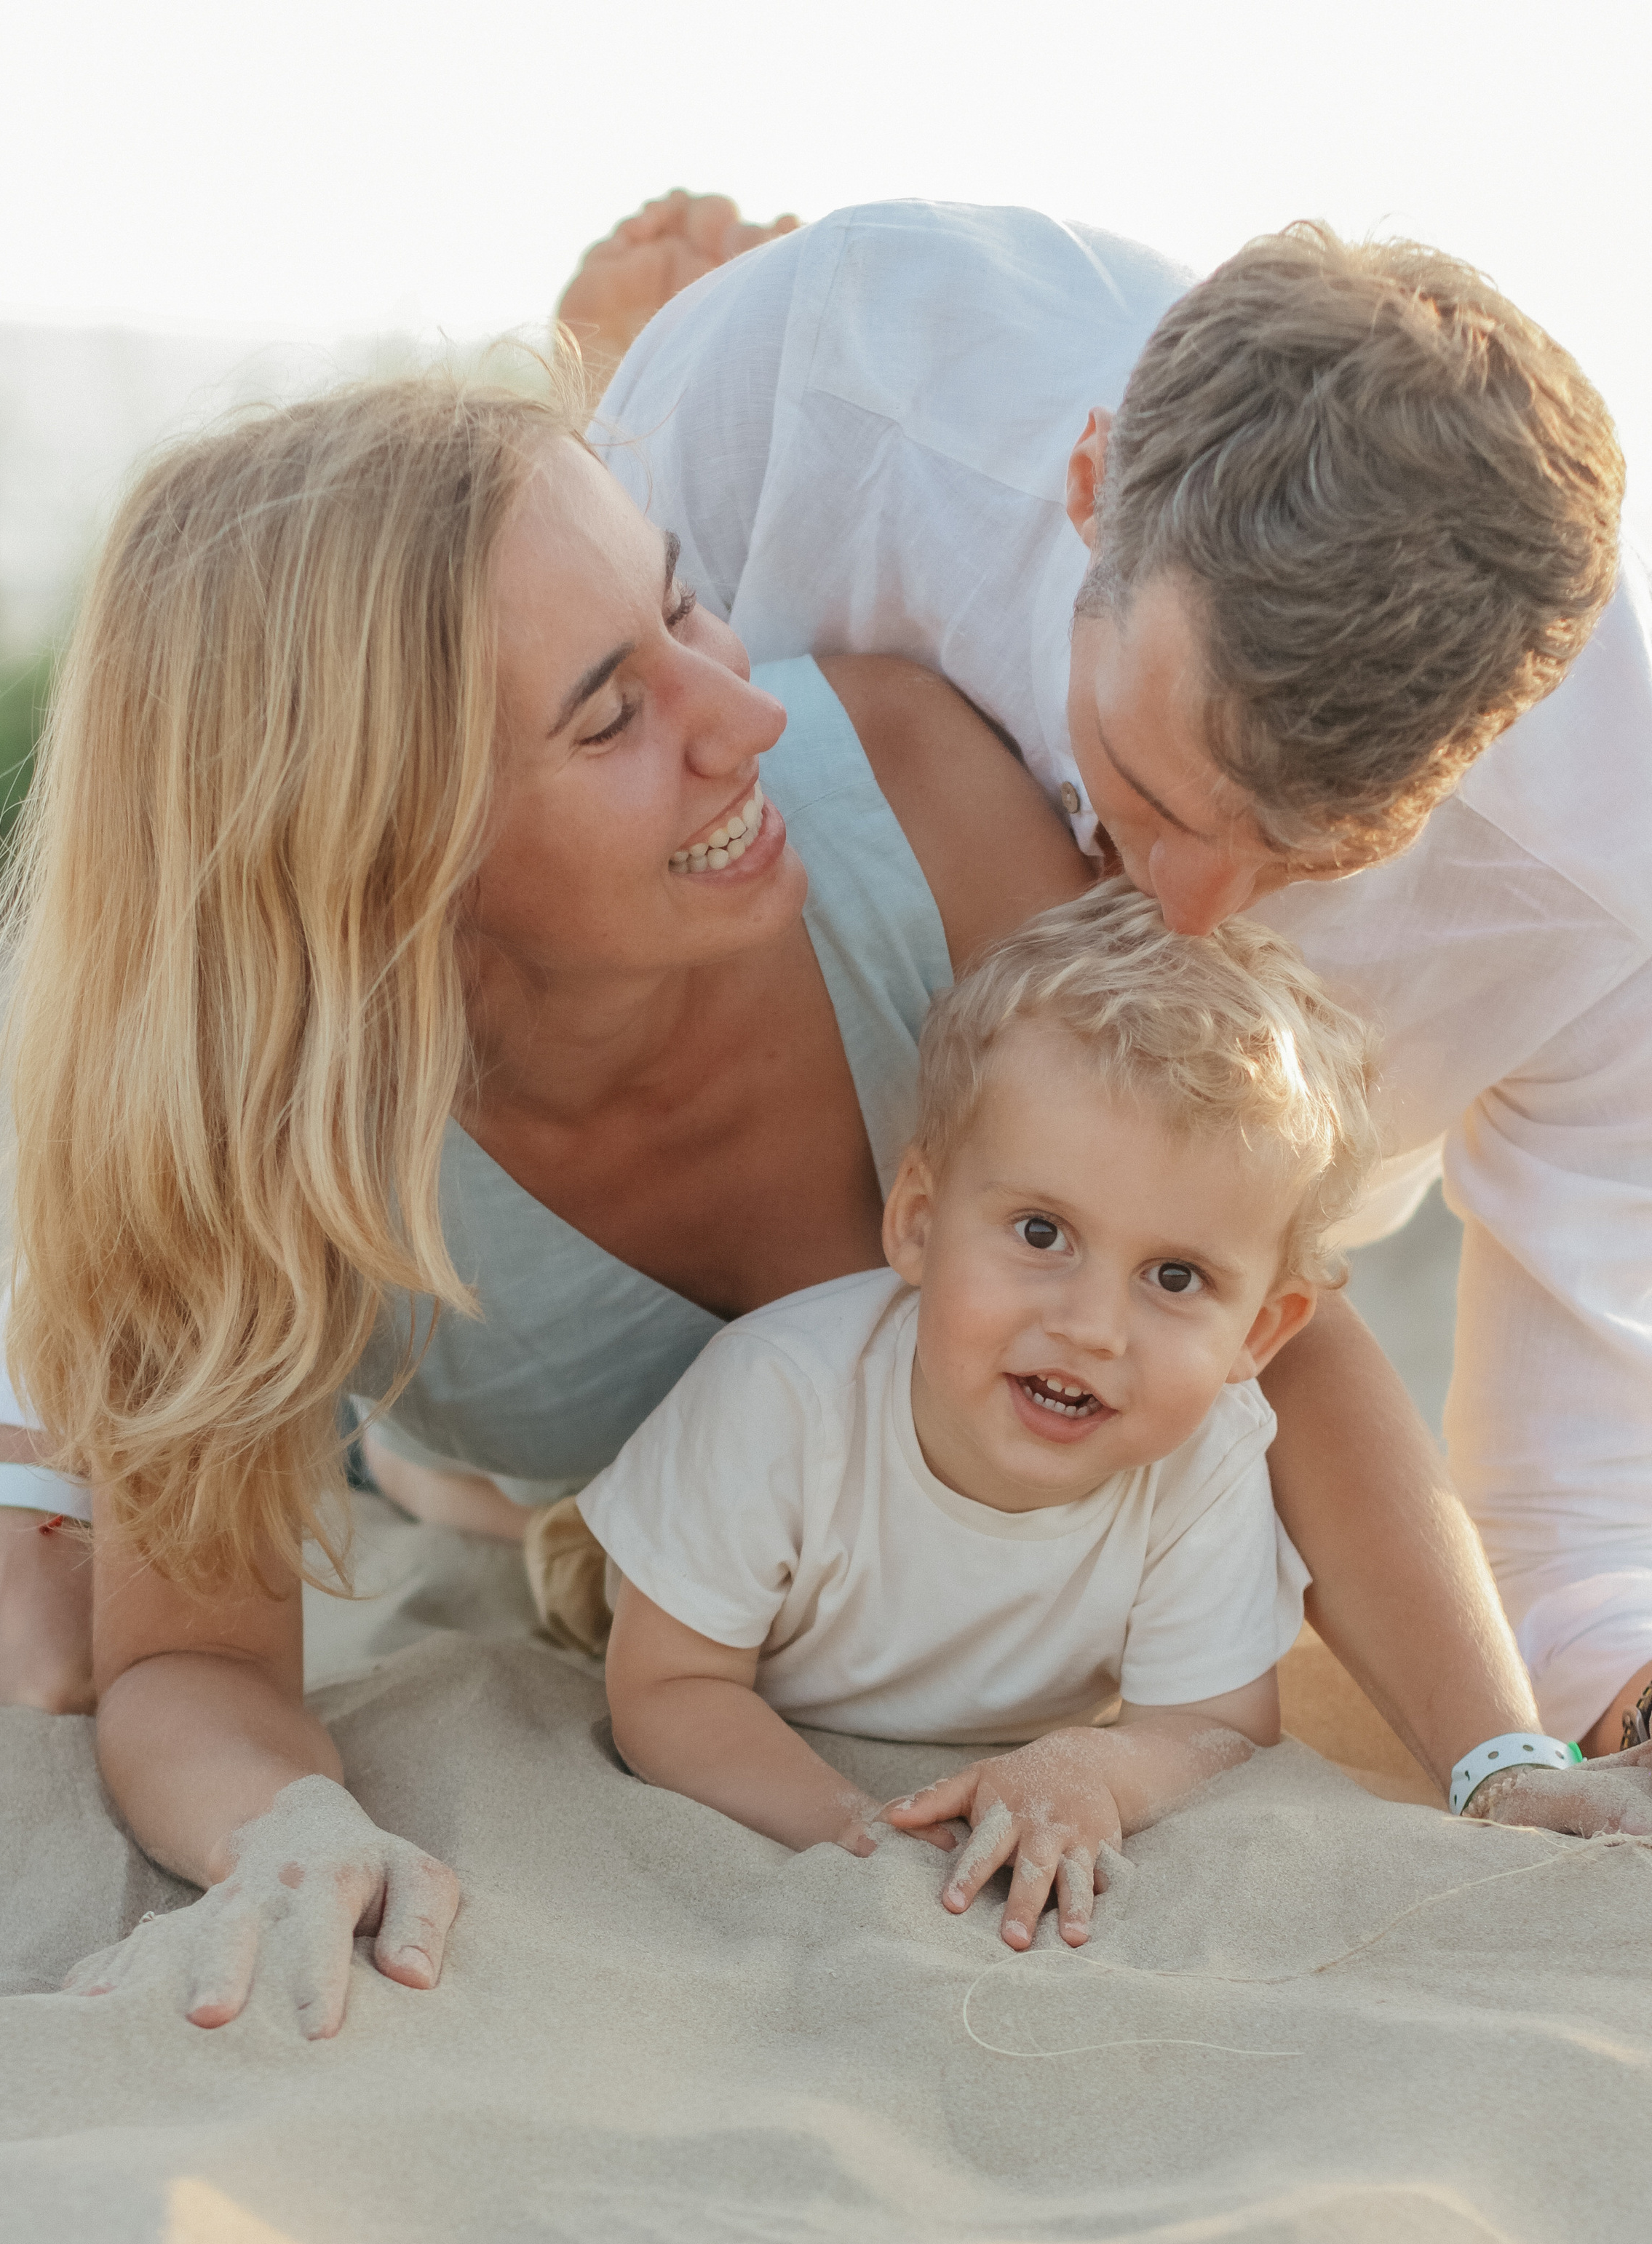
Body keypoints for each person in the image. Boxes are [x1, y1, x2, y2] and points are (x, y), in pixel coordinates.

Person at [0, 362, 1650, 2043]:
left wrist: (1497, 1760)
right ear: (384, 846)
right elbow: (191, 1671)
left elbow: (1279, 1341)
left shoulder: (907, 789)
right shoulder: (262, 1157)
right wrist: (281, 1822)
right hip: (579, 1501)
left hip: (849, 1502)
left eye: (683, 607)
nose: (741, 712)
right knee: (460, 1486)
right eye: (612, 712)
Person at [567, 192, 1652, 1761]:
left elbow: (1570, 1494)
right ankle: (587, 388)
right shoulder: (827, 377)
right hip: (744, 1046)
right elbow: (464, 792)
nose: (1194, 916)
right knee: (511, 1453)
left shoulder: (1600, 883)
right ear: (1086, 490)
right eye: (1144, 792)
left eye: (1309, 858)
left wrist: (1610, 1711)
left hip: (1160, 1305)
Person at [587, 884, 1380, 1948]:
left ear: (1261, 1334)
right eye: (1042, 1233)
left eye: (1177, 1277)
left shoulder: (1209, 1459)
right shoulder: (778, 1395)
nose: (1094, 1328)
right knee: (548, 1557)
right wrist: (852, 1826)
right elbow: (668, 1686)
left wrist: (1095, 1764)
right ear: (918, 1222)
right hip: (706, 1620)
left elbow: (1216, 1728)